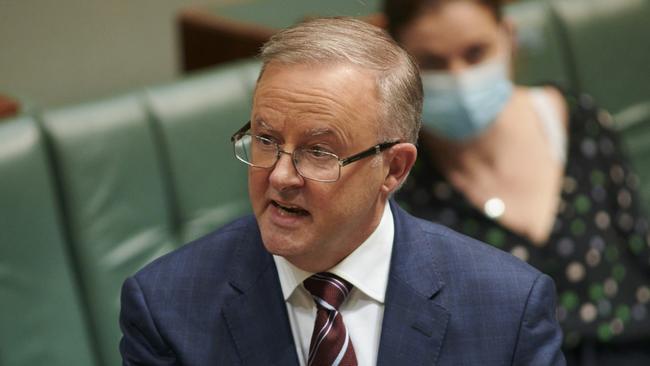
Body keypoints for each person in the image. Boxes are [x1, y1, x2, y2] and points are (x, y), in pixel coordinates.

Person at [119, 17, 564, 365]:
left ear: (394, 168)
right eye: (266, 140)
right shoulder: (167, 306)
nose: (280, 177)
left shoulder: (507, 306)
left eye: (317, 151)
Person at [384, 0, 650, 364]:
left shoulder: (579, 121)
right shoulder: (397, 182)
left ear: (508, 37)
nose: (460, 78)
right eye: (432, 64)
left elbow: (640, 249)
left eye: (476, 53)